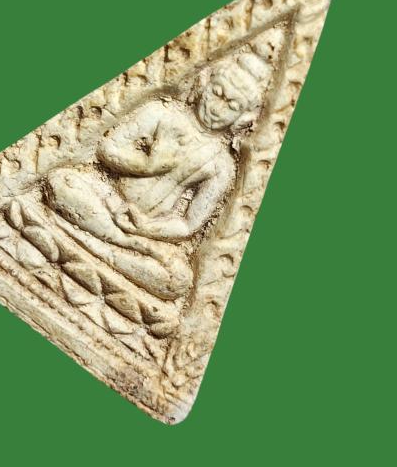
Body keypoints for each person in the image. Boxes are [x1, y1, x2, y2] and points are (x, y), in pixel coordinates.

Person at [40, 51, 271, 300]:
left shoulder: (221, 165)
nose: (217, 108)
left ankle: (95, 245)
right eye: (216, 93)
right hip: (106, 199)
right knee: (61, 182)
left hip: (146, 233)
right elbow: (108, 149)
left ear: (243, 118)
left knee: (178, 279)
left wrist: (147, 228)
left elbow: (188, 224)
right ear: (204, 84)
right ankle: (115, 248)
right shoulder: (162, 113)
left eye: (232, 106)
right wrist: (147, 165)